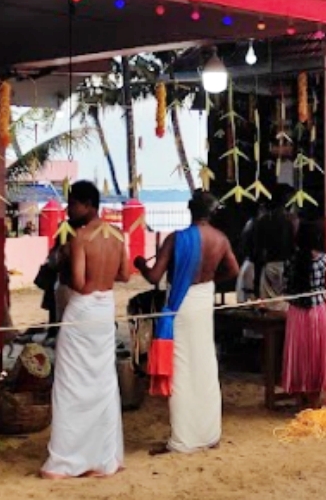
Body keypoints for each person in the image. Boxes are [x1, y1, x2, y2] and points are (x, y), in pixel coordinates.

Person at [135, 192, 239, 455]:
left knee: (181, 368)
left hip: (180, 304)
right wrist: (211, 279)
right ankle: (209, 433)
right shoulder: (220, 239)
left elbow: (154, 276)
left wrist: (139, 264)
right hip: (203, 300)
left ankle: (183, 439)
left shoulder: (177, 238)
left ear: (189, 209)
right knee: (204, 365)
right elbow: (233, 271)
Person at [41, 181, 128, 479]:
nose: (69, 209)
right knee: (103, 380)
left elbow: (78, 282)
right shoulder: (117, 235)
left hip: (82, 308)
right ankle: (102, 458)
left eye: (73, 204)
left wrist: (65, 258)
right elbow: (126, 274)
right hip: (105, 309)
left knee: (70, 382)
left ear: (89, 204)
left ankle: (67, 460)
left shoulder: (80, 239)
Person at [282, 221, 326, 408]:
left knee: (299, 354)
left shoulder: (291, 260)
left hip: (296, 313)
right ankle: (314, 400)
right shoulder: (325, 260)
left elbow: (285, 288)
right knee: (317, 354)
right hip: (318, 312)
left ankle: (300, 399)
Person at [253, 187, 297, 311]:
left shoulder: (263, 220)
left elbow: (258, 249)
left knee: (268, 306)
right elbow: (294, 246)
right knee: (286, 305)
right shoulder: (290, 221)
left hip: (269, 264)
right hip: (286, 265)